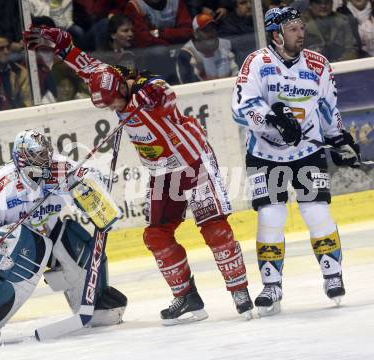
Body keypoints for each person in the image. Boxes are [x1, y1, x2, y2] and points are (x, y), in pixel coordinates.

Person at [23, 25, 254, 325]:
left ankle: (239, 291)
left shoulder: (152, 89)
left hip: (192, 163)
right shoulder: (112, 82)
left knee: (214, 229)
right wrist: (63, 46)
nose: (114, 109)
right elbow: (87, 67)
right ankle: (187, 297)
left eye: (115, 103)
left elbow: (164, 95)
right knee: (156, 236)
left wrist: (142, 103)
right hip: (162, 171)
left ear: (123, 90)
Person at [231, 7, 361, 316]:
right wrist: (271, 119)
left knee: (316, 211)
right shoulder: (257, 63)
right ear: (276, 35)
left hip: (307, 153)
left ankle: (332, 274)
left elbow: (328, 107)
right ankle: (271, 285)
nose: (300, 33)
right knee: (271, 216)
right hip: (264, 154)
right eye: (292, 28)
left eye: (301, 27)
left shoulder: (318, 65)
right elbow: (240, 107)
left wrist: (339, 139)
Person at [0, 129, 127, 347]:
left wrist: (93, 193)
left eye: (46, 153)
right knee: (26, 246)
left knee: (76, 241)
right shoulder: (0, 184)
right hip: (18, 249)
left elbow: (90, 177)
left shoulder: (59, 168)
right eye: (38, 155)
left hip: (50, 235)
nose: (45, 159)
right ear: (22, 157)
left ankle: (93, 304)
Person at [176, 13, 238, 83]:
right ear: (195, 34)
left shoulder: (227, 45)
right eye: (205, 30)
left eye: (212, 28)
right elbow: (190, 86)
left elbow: (239, 74)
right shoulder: (186, 54)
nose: (211, 33)